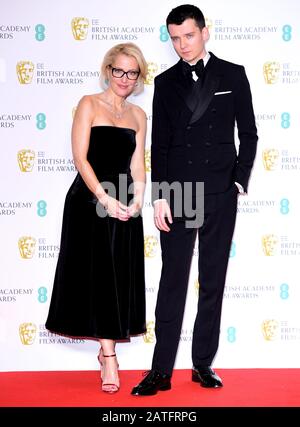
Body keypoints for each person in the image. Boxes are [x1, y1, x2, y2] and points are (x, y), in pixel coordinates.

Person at [131, 4, 258, 396]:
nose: (182, 45)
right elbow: (161, 145)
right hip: (180, 193)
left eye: (188, 35)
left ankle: (203, 364)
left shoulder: (233, 75)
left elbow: (249, 134)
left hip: (220, 191)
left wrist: (237, 182)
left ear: (205, 32)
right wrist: (160, 197)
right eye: (174, 38)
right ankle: (160, 371)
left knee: (213, 280)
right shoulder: (166, 82)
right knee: (173, 280)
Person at [46, 42, 148, 394]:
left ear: (139, 77)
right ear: (108, 71)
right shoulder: (89, 104)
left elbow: (137, 165)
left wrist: (136, 200)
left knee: (118, 278)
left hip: (123, 204)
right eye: (118, 70)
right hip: (89, 200)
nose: (124, 78)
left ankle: (108, 352)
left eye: (131, 72)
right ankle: (109, 357)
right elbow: (80, 158)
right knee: (99, 277)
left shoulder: (138, 115)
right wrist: (103, 197)